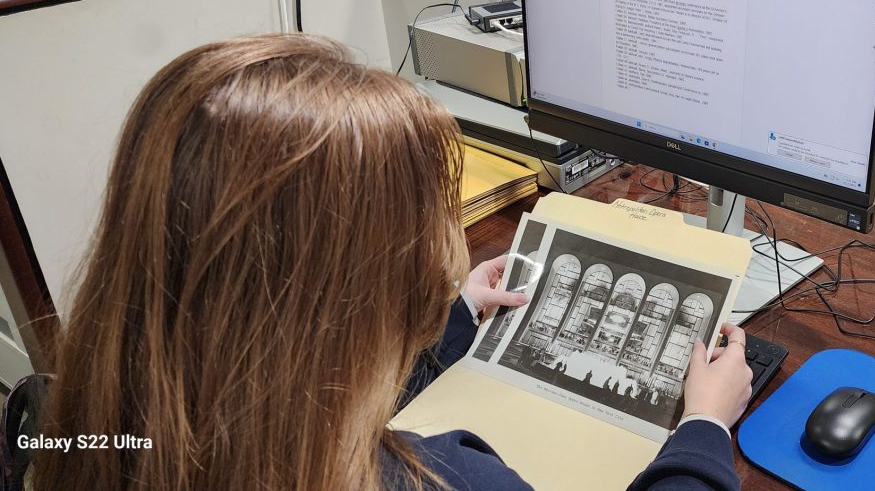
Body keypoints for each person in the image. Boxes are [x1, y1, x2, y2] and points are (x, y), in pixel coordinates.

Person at [32, 35, 753, 491]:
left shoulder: (79, 425)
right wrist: (702, 435)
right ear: (390, 287)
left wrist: (453, 320)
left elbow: (291, 379)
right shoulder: (449, 477)